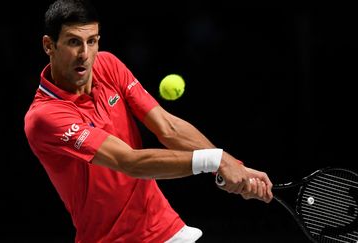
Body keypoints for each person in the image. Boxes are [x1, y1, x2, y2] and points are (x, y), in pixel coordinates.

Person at [24, 0, 274, 242]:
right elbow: (129, 161)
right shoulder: (45, 117)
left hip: (165, 230)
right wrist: (215, 160)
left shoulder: (108, 65)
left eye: (92, 41)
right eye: (73, 42)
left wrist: (232, 164)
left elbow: (168, 128)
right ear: (49, 45)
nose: (85, 55)